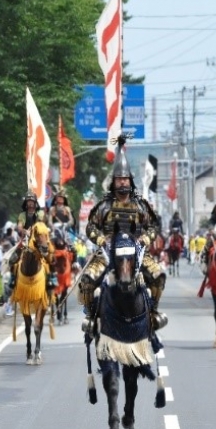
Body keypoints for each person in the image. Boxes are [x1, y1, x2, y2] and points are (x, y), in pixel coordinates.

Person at [79, 133, 166, 318]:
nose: (122, 182)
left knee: (158, 276)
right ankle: (91, 315)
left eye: (125, 179)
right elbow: (90, 228)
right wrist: (101, 239)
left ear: (131, 181)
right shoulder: (104, 205)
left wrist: (145, 238)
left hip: (137, 250)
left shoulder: (141, 205)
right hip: (108, 250)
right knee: (87, 279)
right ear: (114, 182)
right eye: (119, 179)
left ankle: (153, 311)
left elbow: (153, 227)